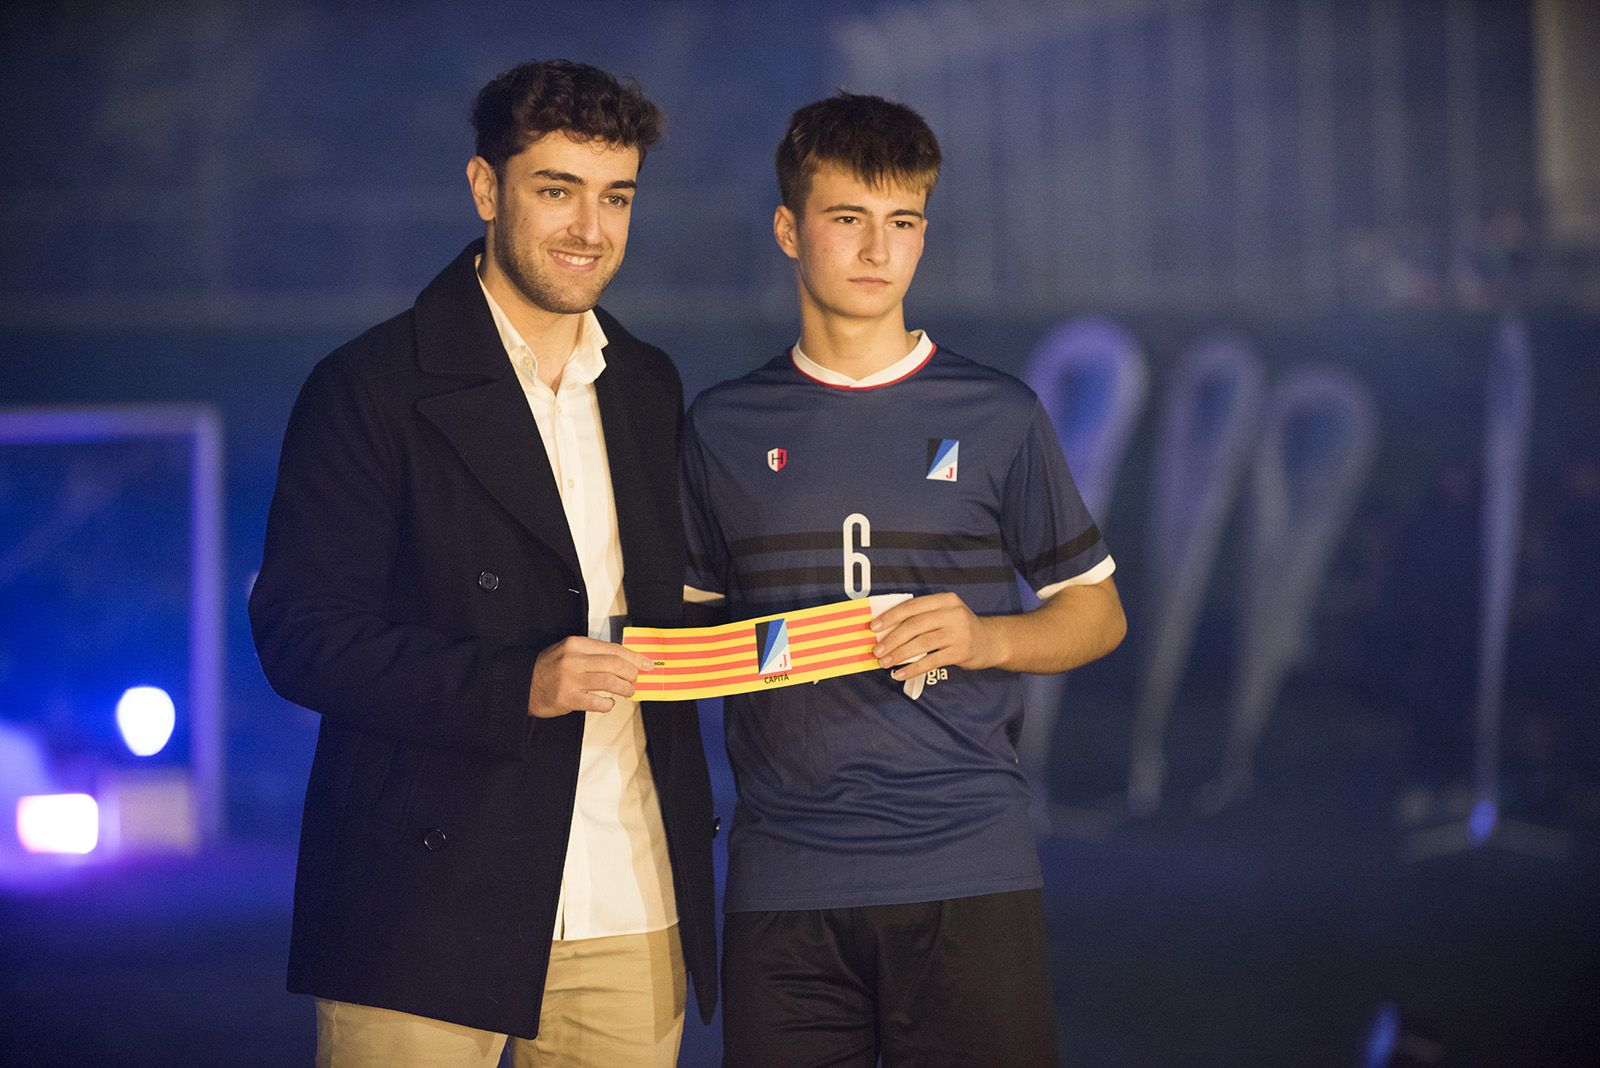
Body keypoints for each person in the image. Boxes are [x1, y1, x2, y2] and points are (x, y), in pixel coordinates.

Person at [249, 59, 716, 1067]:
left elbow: (671, 603)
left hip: (632, 902)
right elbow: (299, 636)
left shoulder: (645, 383)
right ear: (485, 189)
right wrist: (519, 683)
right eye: (557, 191)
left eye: (615, 196)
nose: (590, 229)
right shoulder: (368, 386)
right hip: (421, 906)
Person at [679, 93, 1127, 1067]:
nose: (879, 250)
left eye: (903, 222)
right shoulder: (719, 427)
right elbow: (675, 654)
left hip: (966, 863)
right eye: (848, 219)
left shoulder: (997, 414)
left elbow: (1096, 612)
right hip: (782, 880)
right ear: (789, 229)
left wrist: (987, 636)